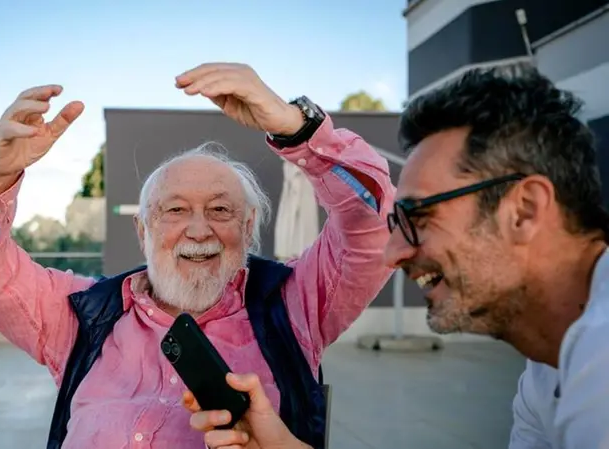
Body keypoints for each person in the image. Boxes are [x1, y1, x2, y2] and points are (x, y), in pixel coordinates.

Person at [0, 62, 395, 448]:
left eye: (220, 210)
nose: (198, 230)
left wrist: (297, 126)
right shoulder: (81, 314)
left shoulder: (294, 304)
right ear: (143, 229)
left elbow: (374, 221)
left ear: (248, 226)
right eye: (175, 211)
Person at [186, 67, 609, 449]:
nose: (393, 254)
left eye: (418, 216)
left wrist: (298, 128)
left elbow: (363, 221)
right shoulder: (545, 375)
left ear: (525, 210)